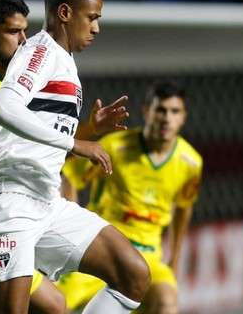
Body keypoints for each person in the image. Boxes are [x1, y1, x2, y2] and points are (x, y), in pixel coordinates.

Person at [0, 0, 129, 314]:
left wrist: (89, 131)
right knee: (50, 305)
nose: (23, 39)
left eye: (25, 30)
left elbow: (48, 143)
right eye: (13, 31)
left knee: (36, 305)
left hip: (8, 212)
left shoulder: (25, 74)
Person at [57, 81, 203, 314]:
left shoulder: (191, 163)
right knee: (52, 303)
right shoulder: (115, 147)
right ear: (147, 112)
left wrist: (174, 260)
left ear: (183, 117)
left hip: (149, 257)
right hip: (103, 250)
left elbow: (184, 207)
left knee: (166, 300)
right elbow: (70, 175)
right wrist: (72, 226)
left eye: (174, 111)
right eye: (160, 110)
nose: (167, 118)